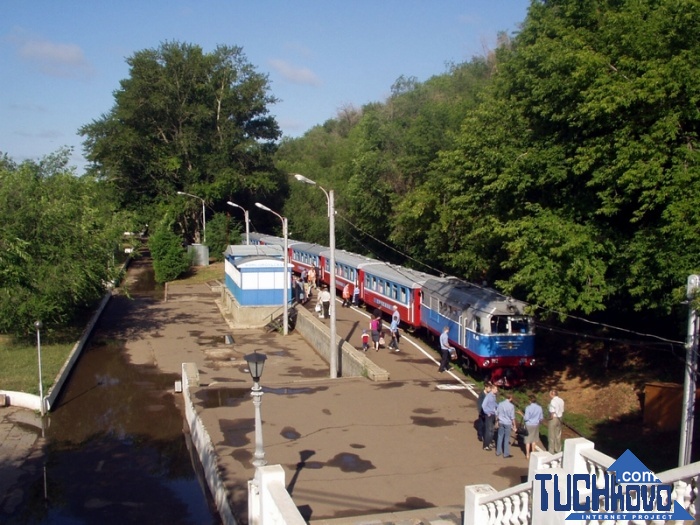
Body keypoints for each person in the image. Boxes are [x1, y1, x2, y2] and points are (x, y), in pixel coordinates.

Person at [522, 395, 544, 459]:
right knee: (534, 439)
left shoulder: (528, 408)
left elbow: (526, 418)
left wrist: (522, 415)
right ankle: (533, 452)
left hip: (529, 424)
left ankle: (527, 454)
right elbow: (541, 418)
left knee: (528, 440)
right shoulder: (539, 408)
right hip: (536, 424)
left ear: (530, 400)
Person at [496, 392, 516, 458]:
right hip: (508, 423)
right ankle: (506, 453)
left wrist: (497, 421)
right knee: (506, 438)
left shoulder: (500, 404)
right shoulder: (511, 406)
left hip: (501, 422)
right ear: (510, 398)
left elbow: (497, 413)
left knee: (500, 436)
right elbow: (512, 417)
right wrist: (514, 425)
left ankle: (498, 451)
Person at [548, 389, 565, 454]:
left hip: (554, 418)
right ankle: (558, 449)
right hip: (560, 418)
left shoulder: (553, 401)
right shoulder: (561, 400)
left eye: (550, 393)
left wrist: (550, 418)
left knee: (551, 435)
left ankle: (551, 450)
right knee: (558, 435)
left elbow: (552, 412)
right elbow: (562, 410)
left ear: (552, 394)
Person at [482, 384, 498, 451]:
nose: (497, 390)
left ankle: (489, 443)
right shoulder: (488, 396)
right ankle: (486, 445)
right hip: (489, 415)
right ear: (492, 389)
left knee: (492, 430)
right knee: (489, 431)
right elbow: (483, 405)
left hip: (493, 414)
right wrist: (487, 412)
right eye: (496, 389)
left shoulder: (494, 396)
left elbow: (495, 405)